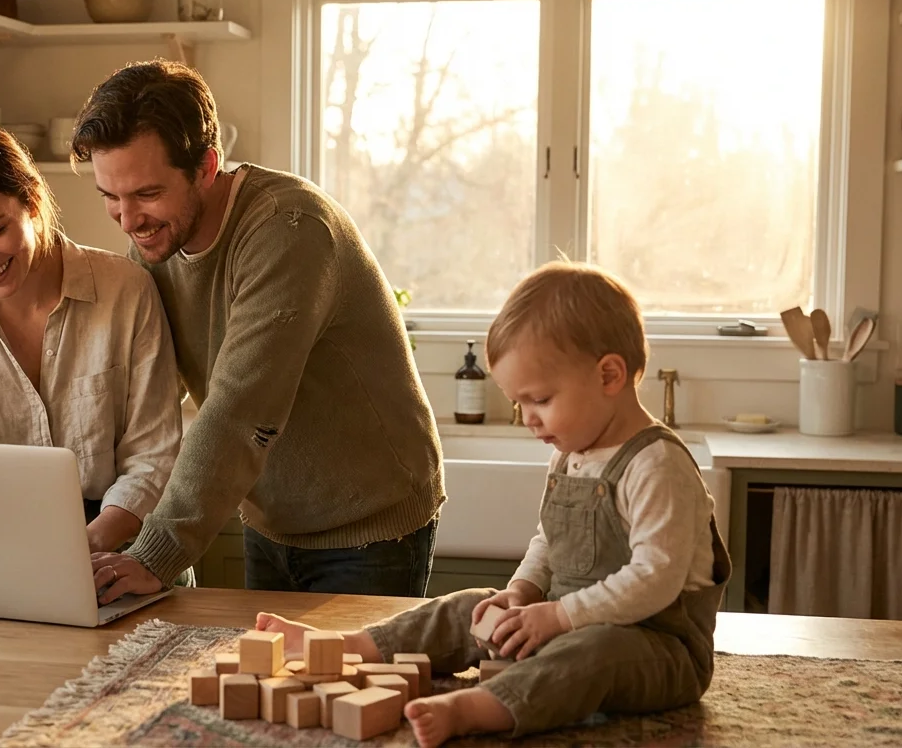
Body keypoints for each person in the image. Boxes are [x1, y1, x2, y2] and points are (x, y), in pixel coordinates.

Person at [257, 261, 732, 746]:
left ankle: (482, 707)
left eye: (540, 400)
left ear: (609, 374)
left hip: (658, 647)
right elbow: (551, 540)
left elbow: (656, 579)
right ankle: (352, 647)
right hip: (567, 624)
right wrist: (523, 592)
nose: (528, 419)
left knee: (597, 650)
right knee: (471, 607)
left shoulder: (657, 466)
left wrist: (559, 616)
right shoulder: (569, 453)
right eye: (519, 403)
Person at [72, 60, 445, 601]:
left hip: (370, 525)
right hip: (270, 519)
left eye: (147, 194)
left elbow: (241, 409)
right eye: (110, 197)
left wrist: (156, 554)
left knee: (349, 687)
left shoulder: (289, 230)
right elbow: (146, 392)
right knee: (271, 684)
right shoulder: (158, 238)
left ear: (206, 166)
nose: (128, 220)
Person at [0, 119, 182, 557]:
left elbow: (154, 453)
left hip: (128, 547)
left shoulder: (127, 290)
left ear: (31, 200)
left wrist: (89, 542)